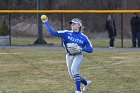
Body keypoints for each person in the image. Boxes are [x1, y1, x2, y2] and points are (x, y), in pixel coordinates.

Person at [41, 16, 93, 93]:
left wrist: (82, 49)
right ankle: (86, 83)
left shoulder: (84, 37)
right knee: (72, 75)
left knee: (74, 70)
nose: (72, 25)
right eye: (71, 23)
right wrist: (46, 23)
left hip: (78, 55)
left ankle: (78, 91)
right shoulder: (66, 33)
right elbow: (53, 33)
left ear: (79, 25)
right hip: (69, 56)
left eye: (74, 24)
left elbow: (91, 50)